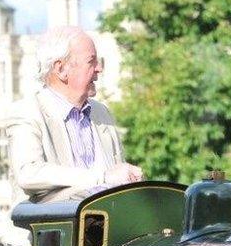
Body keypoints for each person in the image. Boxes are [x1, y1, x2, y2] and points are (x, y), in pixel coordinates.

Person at [8, 26, 143, 203]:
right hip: (53, 228)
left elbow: (117, 179)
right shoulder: (27, 113)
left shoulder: (102, 113)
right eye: (91, 61)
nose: (99, 68)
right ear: (61, 69)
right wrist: (102, 177)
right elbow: (28, 173)